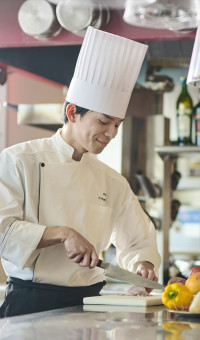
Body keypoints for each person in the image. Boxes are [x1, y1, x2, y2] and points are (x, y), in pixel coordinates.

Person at [0, 27, 161, 317]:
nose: (111, 133)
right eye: (104, 122)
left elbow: (138, 240)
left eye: (118, 125)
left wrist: (143, 266)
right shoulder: (18, 160)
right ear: (73, 113)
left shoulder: (112, 180)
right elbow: (1, 229)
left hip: (91, 306)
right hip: (32, 304)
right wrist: (62, 233)